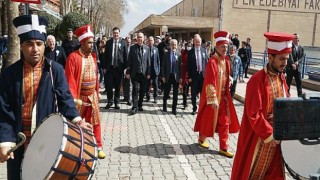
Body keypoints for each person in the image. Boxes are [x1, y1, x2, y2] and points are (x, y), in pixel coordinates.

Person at [0, 15, 92, 180]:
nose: (35, 49)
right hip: (18, 142)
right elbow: (4, 110)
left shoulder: (54, 70)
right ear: (21, 46)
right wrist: (5, 140)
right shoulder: (9, 74)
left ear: (44, 46)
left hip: (47, 141)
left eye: (39, 44)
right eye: (29, 44)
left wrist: (78, 120)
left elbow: (65, 98)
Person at [231, 32, 294, 179]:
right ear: (270, 57)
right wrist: (269, 134)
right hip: (260, 140)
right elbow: (254, 114)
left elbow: (287, 101)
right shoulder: (256, 80)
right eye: (281, 59)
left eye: (286, 59)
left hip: (277, 140)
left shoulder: (282, 77)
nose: (285, 63)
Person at [193, 31, 240, 158]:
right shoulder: (212, 62)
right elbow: (209, 82)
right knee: (208, 120)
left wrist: (229, 79)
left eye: (226, 47)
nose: (225, 49)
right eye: (223, 47)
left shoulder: (226, 61)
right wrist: (213, 99)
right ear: (217, 47)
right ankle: (201, 139)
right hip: (213, 98)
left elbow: (225, 75)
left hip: (224, 97)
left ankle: (223, 147)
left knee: (224, 122)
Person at [64, 24, 105, 159]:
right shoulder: (73, 57)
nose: (92, 45)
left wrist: (97, 91)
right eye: (89, 43)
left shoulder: (93, 56)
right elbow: (70, 80)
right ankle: (76, 148)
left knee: (96, 121)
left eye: (92, 43)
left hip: (92, 96)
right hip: (79, 98)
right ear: (82, 43)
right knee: (77, 124)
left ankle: (98, 146)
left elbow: (96, 75)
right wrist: (74, 98)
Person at [126, 32, 150, 115]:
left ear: (143, 39)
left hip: (144, 73)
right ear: (137, 39)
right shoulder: (133, 48)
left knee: (143, 90)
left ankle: (140, 104)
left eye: (141, 37)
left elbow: (148, 61)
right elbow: (129, 61)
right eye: (138, 37)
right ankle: (135, 107)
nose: (140, 39)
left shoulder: (147, 48)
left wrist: (149, 72)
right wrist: (128, 72)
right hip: (135, 73)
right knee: (135, 90)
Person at [103, 27, 128, 110]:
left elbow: (125, 56)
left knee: (117, 87)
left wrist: (126, 69)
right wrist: (104, 67)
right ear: (112, 33)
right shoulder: (109, 43)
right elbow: (105, 55)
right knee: (109, 86)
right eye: (114, 33)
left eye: (117, 33)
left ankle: (117, 102)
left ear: (119, 34)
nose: (116, 34)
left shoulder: (123, 43)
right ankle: (110, 101)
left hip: (119, 69)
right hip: (110, 68)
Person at [187, 35, 208, 115]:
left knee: (203, 93)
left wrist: (206, 75)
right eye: (196, 41)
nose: (197, 43)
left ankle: (202, 108)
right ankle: (194, 108)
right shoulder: (190, 52)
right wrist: (189, 77)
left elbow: (206, 63)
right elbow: (188, 66)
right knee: (193, 93)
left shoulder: (204, 50)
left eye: (199, 41)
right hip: (194, 76)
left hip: (202, 76)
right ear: (193, 42)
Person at [161, 39, 182, 115]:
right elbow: (163, 66)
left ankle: (174, 109)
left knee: (175, 94)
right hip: (168, 76)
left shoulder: (179, 54)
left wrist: (180, 77)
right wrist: (163, 76)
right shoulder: (166, 54)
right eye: (172, 44)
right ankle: (164, 106)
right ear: (170, 45)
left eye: (175, 44)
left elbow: (180, 67)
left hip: (176, 76)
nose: (174, 46)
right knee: (166, 92)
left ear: (177, 46)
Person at [146, 36, 160, 103]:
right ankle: (147, 97)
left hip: (155, 70)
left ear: (153, 41)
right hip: (147, 70)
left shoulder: (156, 49)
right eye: (149, 40)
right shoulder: (145, 49)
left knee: (155, 84)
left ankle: (155, 97)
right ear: (147, 41)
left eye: (151, 40)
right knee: (147, 84)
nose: (150, 42)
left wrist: (158, 70)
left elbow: (158, 60)